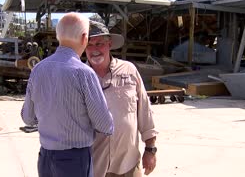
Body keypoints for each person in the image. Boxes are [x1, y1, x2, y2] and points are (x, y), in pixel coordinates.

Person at [21, 13, 114, 177]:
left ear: (58, 36)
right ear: (84, 38)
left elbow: (28, 118)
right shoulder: (84, 73)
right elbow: (104, 124)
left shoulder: (38, 70)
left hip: (46, 158)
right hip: (75, 159)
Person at [85, 21, 158, 177]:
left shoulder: (129, 69)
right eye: (89, 45)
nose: (94, 50)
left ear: (109, 44)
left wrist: (150, 149)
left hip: (129, 165)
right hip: (94, 167)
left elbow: (145, 111)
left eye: (99, 43)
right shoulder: (79, 76)